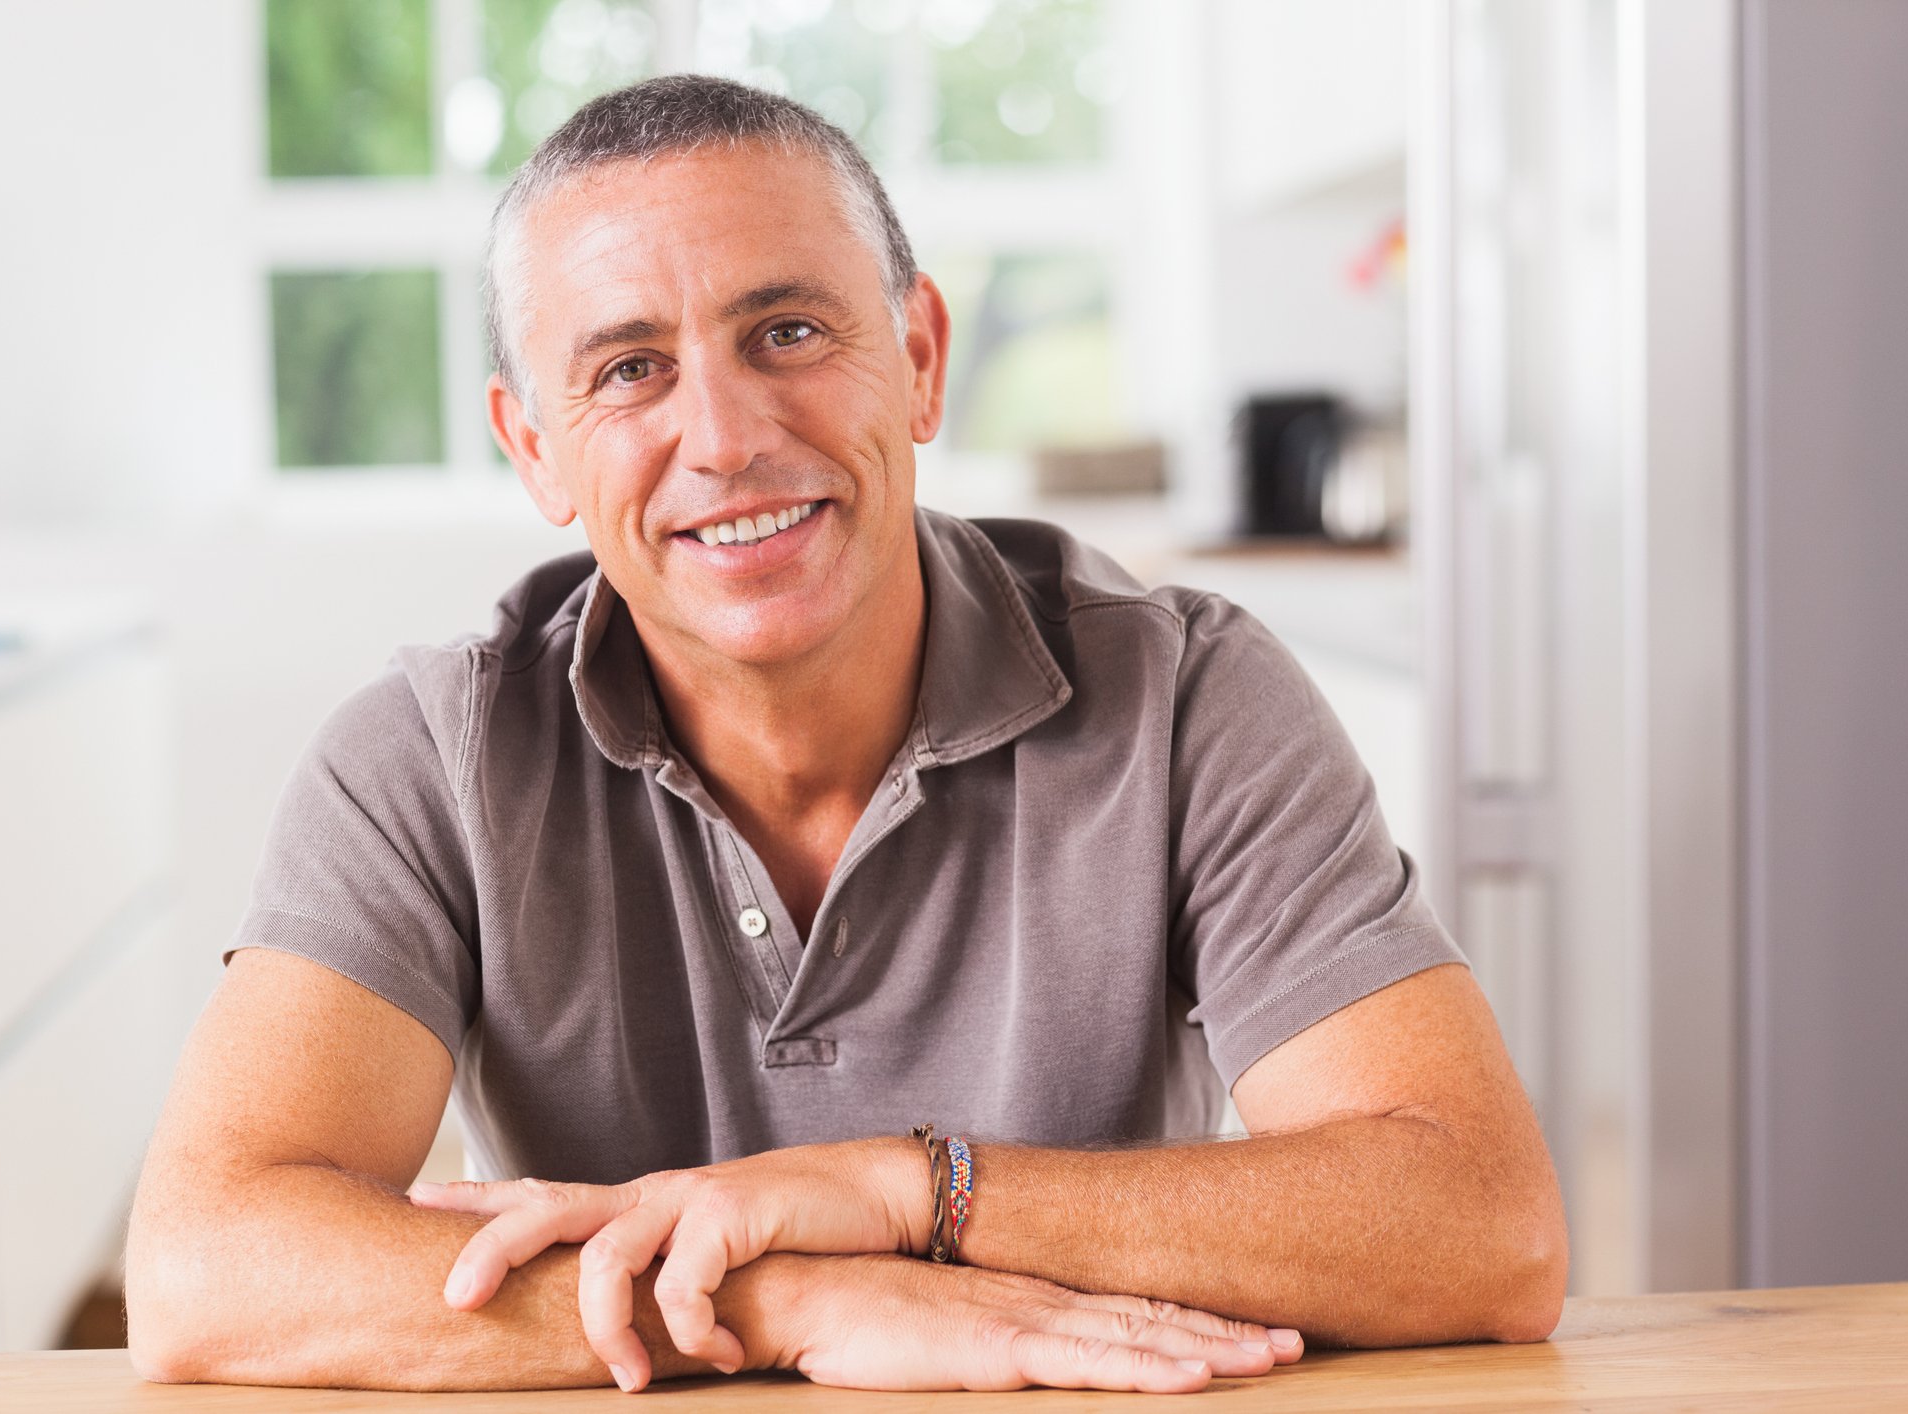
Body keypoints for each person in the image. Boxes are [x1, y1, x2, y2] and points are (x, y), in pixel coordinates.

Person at [124, 75, 1566, 1396]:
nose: (727, 434)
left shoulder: (1188, 697)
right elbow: (202, 1268)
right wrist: (790, 1302)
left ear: (921, 357)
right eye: (628, 369)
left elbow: (1481, 1226)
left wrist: (904, 1190)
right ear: (534, 451)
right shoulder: (426, 755)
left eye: (790, 332)